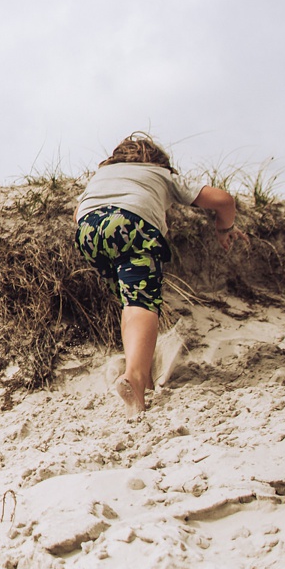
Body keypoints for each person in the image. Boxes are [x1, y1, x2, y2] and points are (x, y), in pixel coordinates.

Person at [75, 132, 239, 415]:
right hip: (130, 224)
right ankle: (135, 379)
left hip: (88, 231)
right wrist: (224, 229)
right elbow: (223, 200)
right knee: (141, 305)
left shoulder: (102, 176)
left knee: (130, 303)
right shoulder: (160, 174)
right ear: (159, 161)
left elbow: (78, 210)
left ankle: (139, 370)